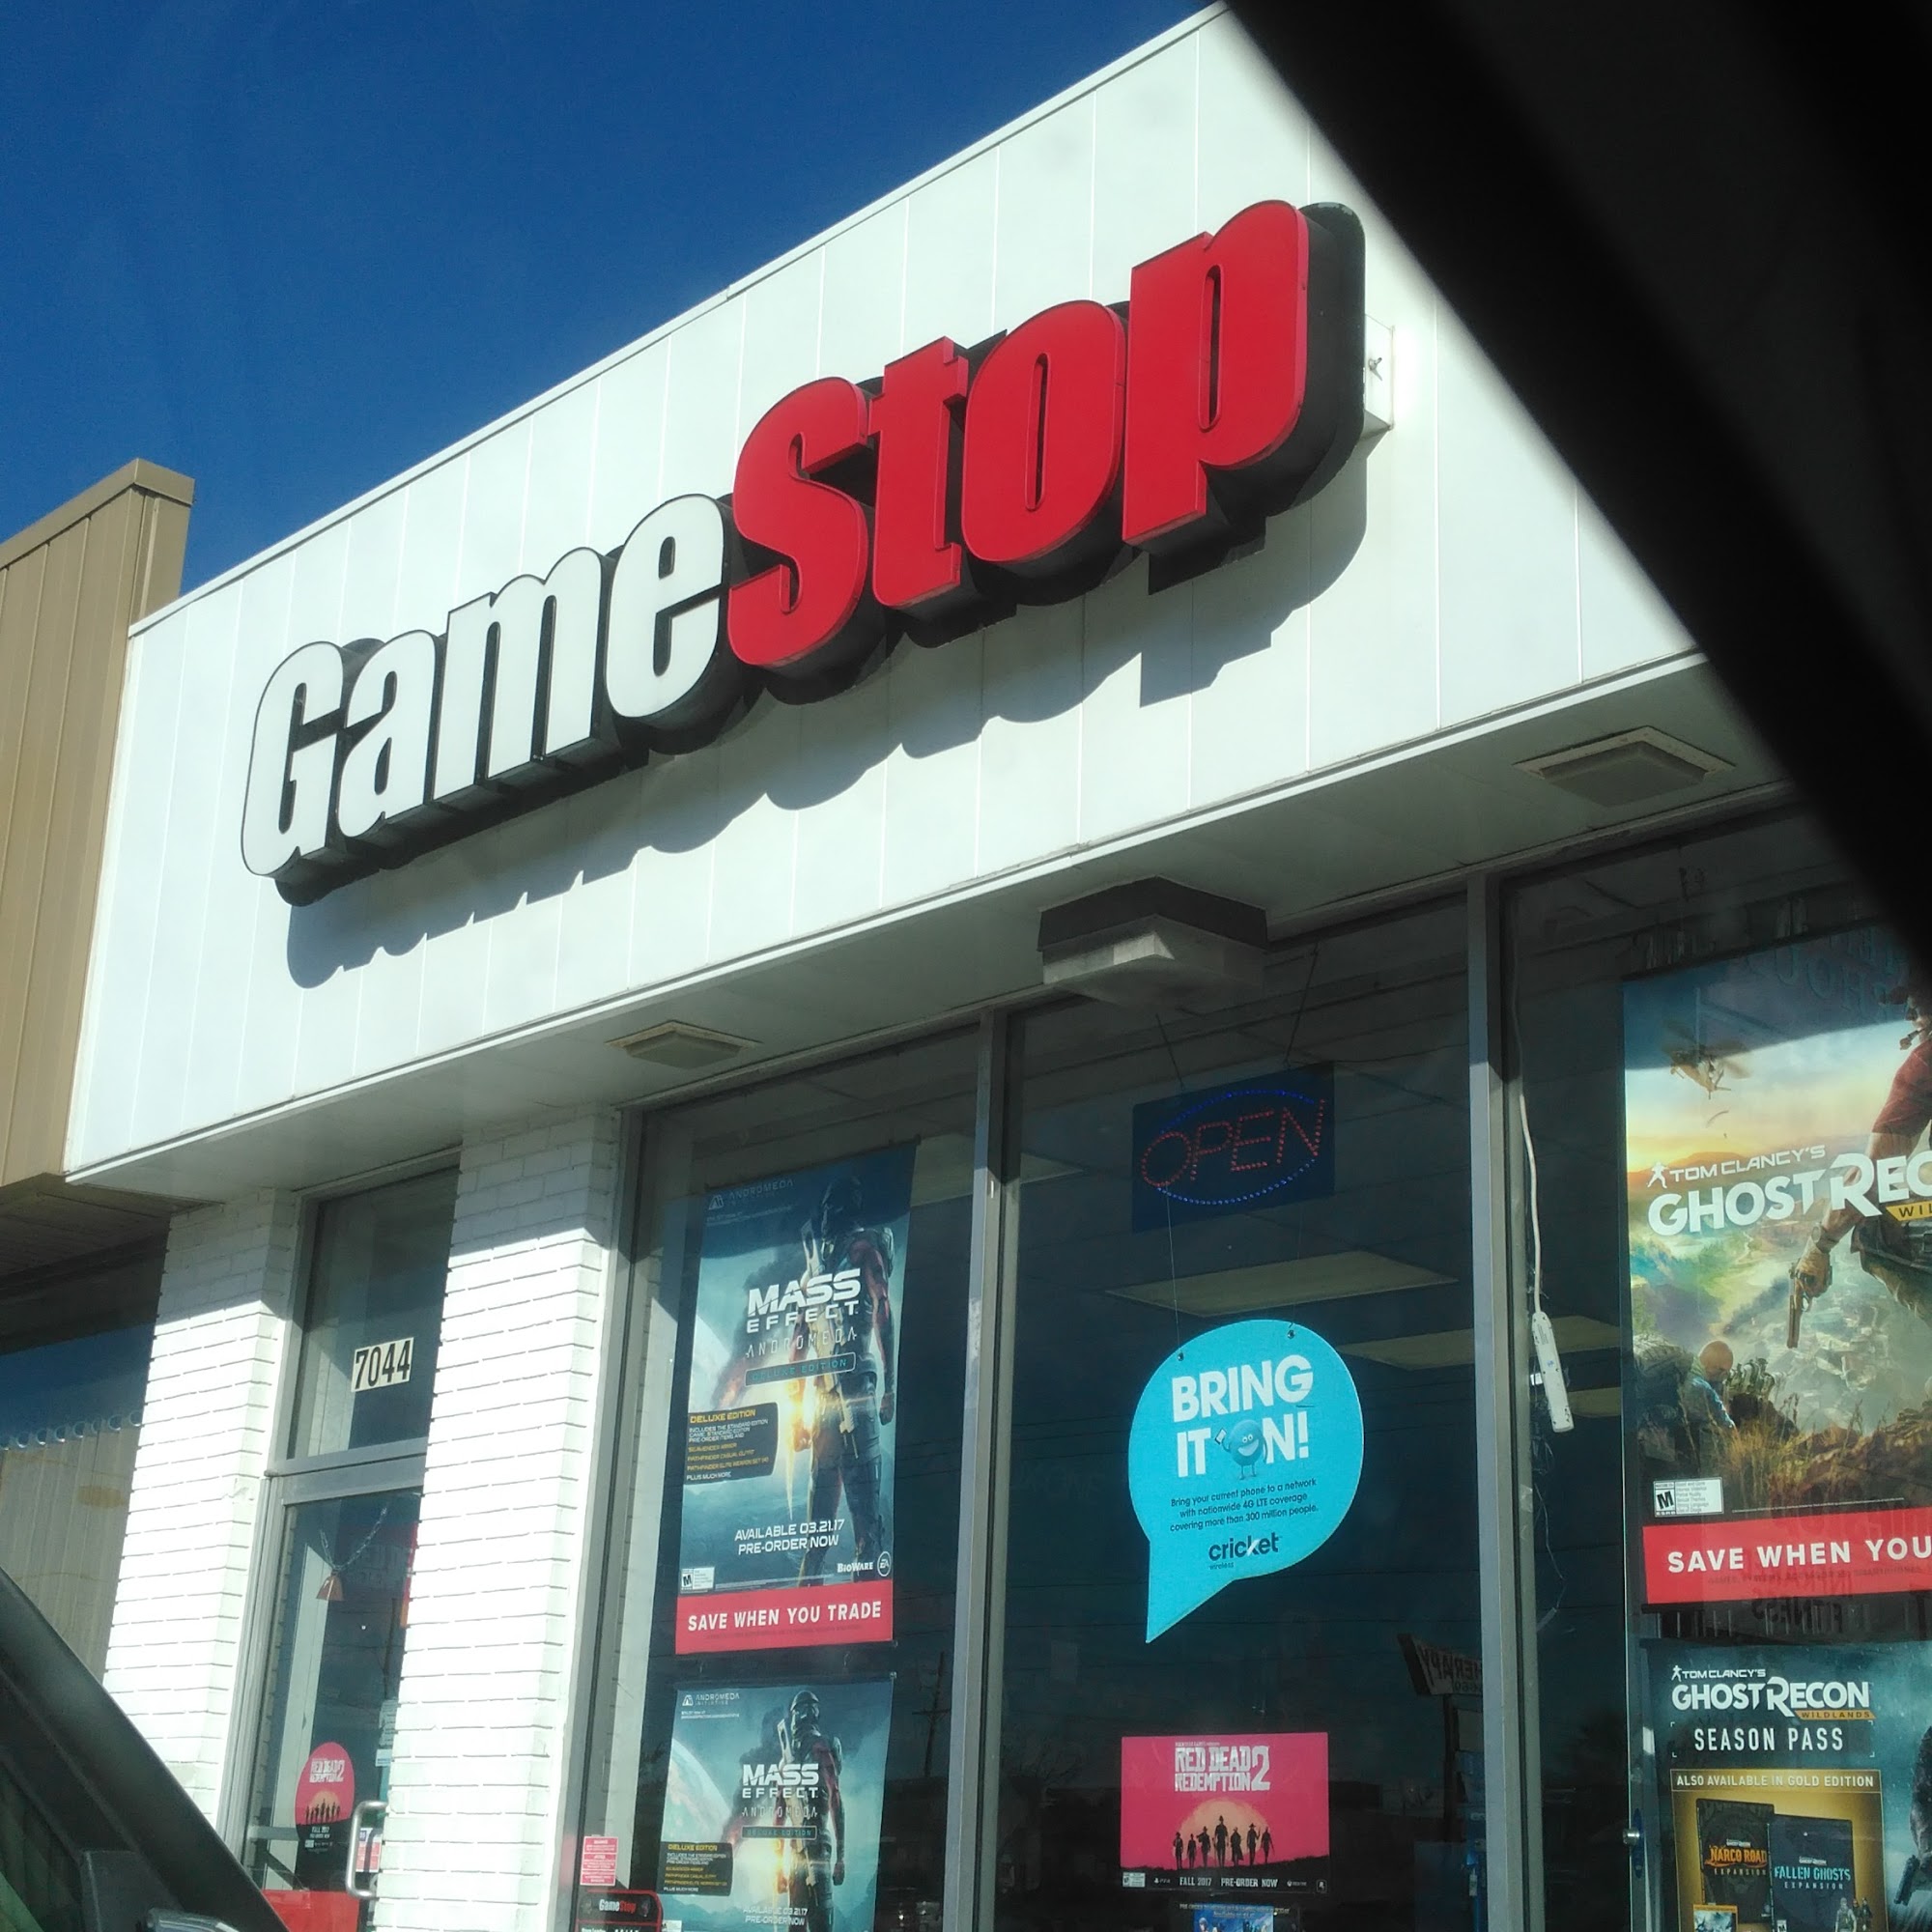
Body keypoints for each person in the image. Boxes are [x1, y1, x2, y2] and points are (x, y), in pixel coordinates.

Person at [1793, 977, 1932, 1327]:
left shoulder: (1925, 1063)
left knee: (1873, 1225)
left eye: (1918, 1005)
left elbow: (1871, 1173)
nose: (1910, 1016)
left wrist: (1819, 1246)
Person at [797, 1175, 897, 1585]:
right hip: (825, 1400)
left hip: (857, 1392)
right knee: (816, 1534)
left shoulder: (863, 1253)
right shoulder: (812, 1274)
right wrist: (796, 1411)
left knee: (866, 1531)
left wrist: (890, 1387)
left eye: (831, 1209)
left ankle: (866, 1609)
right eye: (824, 1210)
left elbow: (882, 1314)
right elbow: (800, 1338)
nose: (826, 1219)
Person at [777, 1689, 847, 1932]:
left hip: (816, 1848)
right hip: (799, 1849)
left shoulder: (823, 1748)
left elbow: (835, 1800)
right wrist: (778, 1867)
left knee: (819, 1919)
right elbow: (779, 1815)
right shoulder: (786, 1761)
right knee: (798, 1922)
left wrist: (841, 1857)